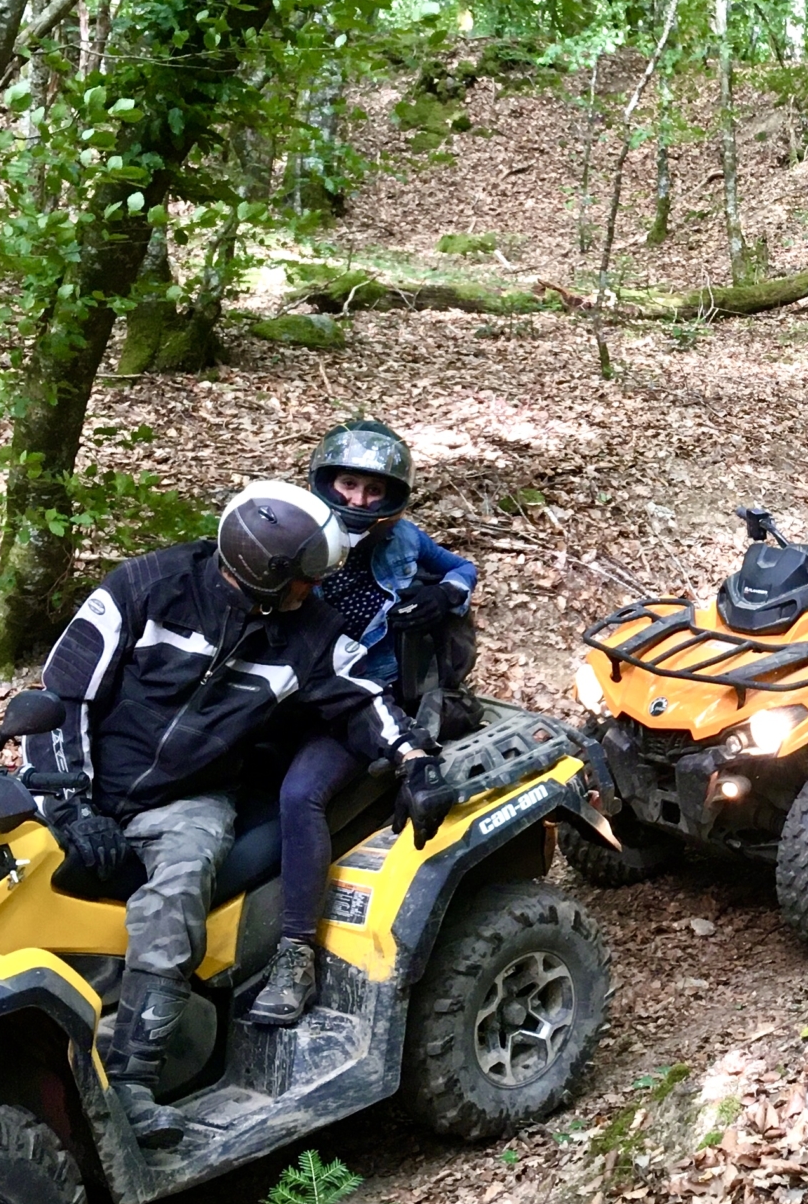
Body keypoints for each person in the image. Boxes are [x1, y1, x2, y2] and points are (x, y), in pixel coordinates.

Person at [30, 483, 439, 1146]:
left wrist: (416, 759)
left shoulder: (306, 632)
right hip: (89, 781)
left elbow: (362, 696)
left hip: (188, 800)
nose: (316, 590)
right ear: (271, 576)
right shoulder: (144, 587)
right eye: (307, 579)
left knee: (178, 890)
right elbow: (62, 695)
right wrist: (71, 805)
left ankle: (132, 1082)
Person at [250, 421, 481, 1031]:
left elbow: (463, 568)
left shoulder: (404, 540)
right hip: (277, 691)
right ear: (325, 481)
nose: (357, 500)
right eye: (348, 484)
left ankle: (295, 954)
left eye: (373, 490)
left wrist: (446, 597)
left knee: (301, 795)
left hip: (360, 703)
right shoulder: (293, 534)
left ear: (392, 497)